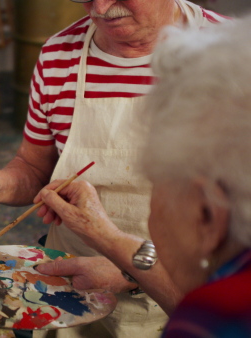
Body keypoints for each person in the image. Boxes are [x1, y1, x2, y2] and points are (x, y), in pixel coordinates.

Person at [0, 0, 228, 336]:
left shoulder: (231, 56)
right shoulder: (59, 56)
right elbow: (36, 169)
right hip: (69, 286)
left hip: (185, 306)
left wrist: (129, 269)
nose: (101, 7)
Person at [35, 15, 251, 337]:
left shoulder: (209, 320)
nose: (102, 8)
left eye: (156, 185)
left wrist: (125, 270)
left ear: (207, 215)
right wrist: (105, 236)